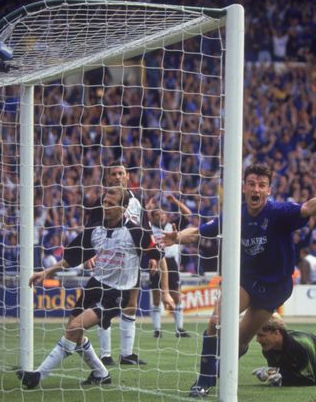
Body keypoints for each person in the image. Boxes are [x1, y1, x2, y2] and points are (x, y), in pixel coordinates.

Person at [163, 163, 316, 397]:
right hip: (247, 279)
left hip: (274, 286)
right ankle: (203, 381)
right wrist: (178, 236)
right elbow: (201, 231)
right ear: (243, 187)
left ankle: (221, 369)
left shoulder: (278, 213)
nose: (256, 189)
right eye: (252, 184)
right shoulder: (235, 215)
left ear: (269, 190)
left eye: (262, 185)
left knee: (239, 340)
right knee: (216, 323)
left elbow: (307, 208)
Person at [16, 186, 173, 389]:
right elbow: (72, 257)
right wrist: (46, 272)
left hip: (117, 292)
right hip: (94, 285)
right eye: (104, 202)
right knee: (73, 331)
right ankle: (101, 373)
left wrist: (166, 292)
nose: (105, 206)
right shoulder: (95, 230)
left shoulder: (136, 232)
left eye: (110, 204)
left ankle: (37, 376)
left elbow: (160, 258)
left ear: (124, 207)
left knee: (75, 328)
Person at [88, 164, 149, 366]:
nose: (117, 177)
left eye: (120, 173)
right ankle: (105, 354)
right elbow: (90, 230)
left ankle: (126, 354)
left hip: (131, 260)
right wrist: (88, 255)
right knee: (103, 306)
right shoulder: (101, 202)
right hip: (108, 259)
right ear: (108, 177)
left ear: (127, 176)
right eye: (113, 174)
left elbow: (145, 230)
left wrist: (153, 256)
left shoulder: (137, 201)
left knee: (131, 305)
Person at [146, 194, 193, 338]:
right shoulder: (148, 228)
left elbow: (188, 215)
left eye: (163, 214)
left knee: (176, 296)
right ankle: (157, 329)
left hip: (171, 263)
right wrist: (147, 208)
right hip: (155, 261)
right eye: (157, 214)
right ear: (151, 217)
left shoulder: (170, 226)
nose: (161, 216)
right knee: (156, 297)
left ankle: (179, 328)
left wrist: (175, 201)